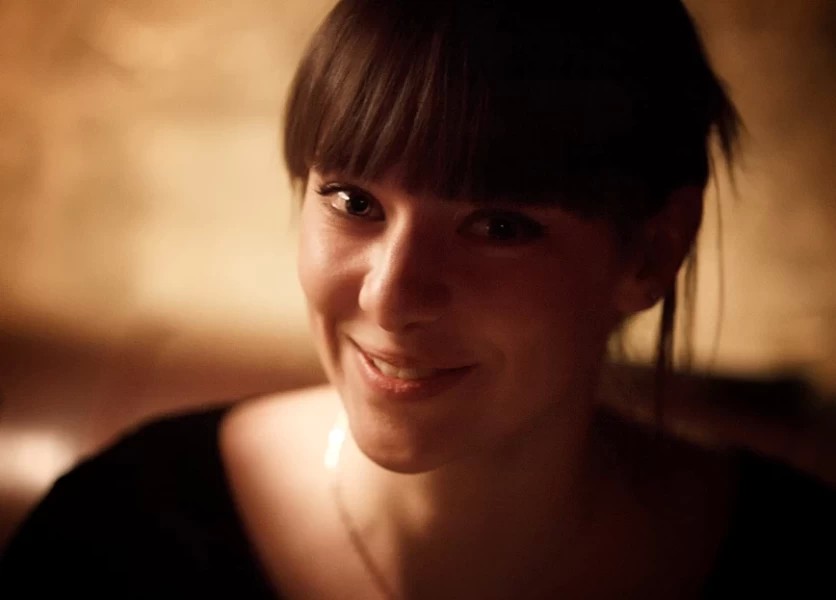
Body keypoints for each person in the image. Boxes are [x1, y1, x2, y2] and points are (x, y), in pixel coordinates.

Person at [1, 1, 834, 598]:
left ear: (650, 252)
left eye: (498, 225)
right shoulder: (120, 534)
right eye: (354, 201)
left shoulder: (793, 552)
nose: (390, 297)